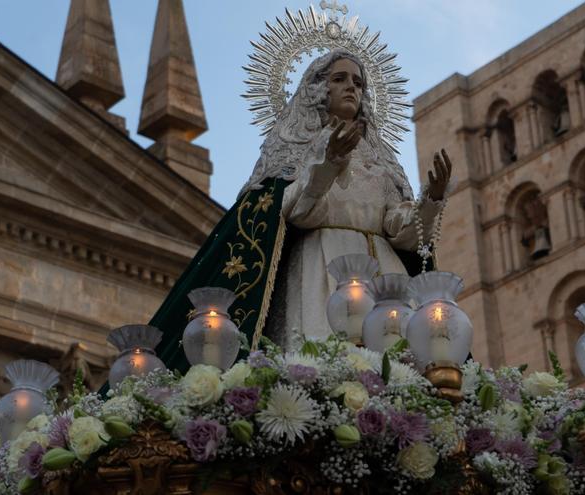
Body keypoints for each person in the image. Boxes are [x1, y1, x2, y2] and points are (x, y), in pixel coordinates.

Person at [149, 49, 452, 371]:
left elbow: (401, 232)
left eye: (359, 83)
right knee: (326, 360)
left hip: (387, 281)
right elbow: (292, 210)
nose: (352, 87)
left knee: (404, 369)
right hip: (322, 268)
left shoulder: (379, 158)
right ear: (318, 89)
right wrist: (329, 164)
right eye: (340, 79)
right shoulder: (298, 145)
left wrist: (431, 199)